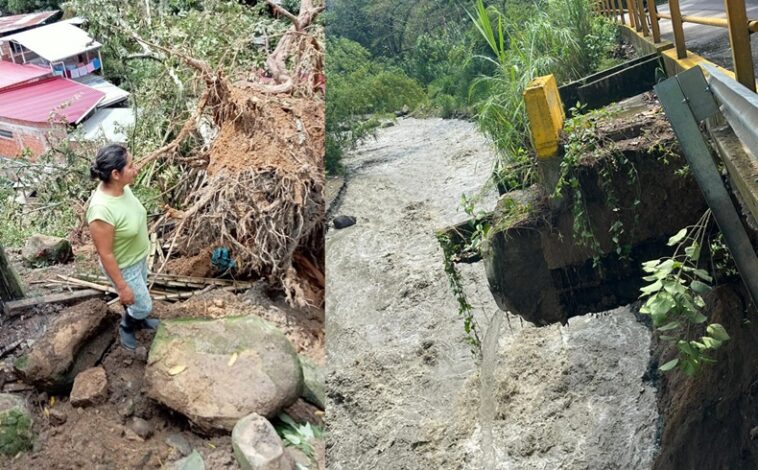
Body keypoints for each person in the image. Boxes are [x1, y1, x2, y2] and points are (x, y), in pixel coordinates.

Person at [87, 144, 159, 350]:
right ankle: (127, 326)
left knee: (139, 300)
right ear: (115, 174)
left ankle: (139, 319)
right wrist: (122, 286)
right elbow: (105, 253)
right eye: (131, 166)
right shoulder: (101, 211)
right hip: (124, 267)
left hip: (138, 258)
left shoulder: (122, 188)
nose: (136, 169)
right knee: (143, 304)